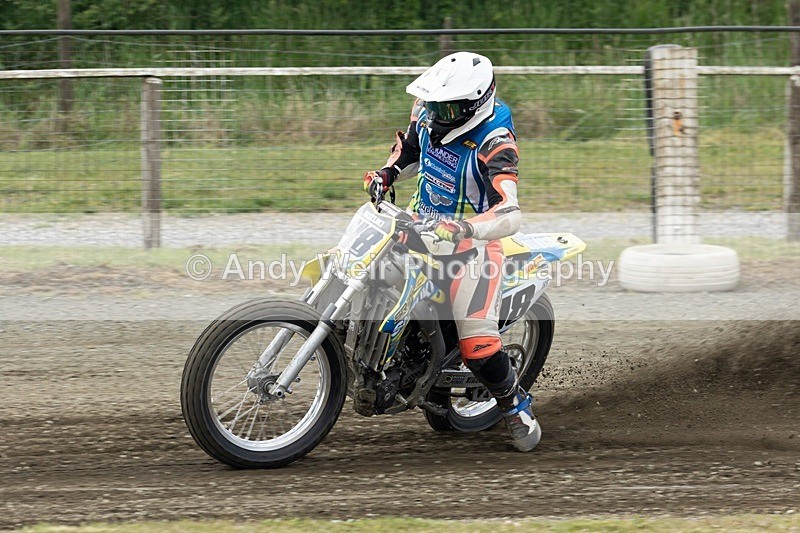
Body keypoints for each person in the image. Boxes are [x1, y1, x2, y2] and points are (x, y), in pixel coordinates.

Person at [363, 52, 540, 452]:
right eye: (433, 105)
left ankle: (515, 406)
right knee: (363, 277)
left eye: (447, 108)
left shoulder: (496, 140)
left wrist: (464, 228)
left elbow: (510, 212)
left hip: (470, 247)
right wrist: (386, 173)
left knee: (477, 345)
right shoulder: (428, 108)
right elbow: (411, 150)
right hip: (418, 226)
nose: (436, 114)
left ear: (475, 104)